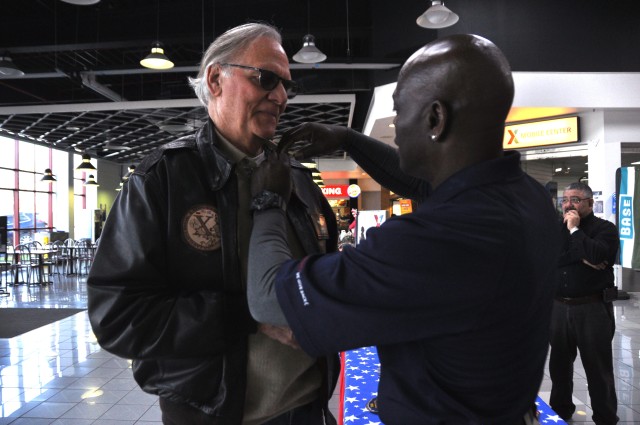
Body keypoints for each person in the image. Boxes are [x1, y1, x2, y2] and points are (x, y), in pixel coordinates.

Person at [246, 34, 560, 424]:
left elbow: (267, 300)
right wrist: (347, 139)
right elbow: (425, 185)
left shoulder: (434, 240)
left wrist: (268, 201)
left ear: (434, 119)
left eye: (400, 112)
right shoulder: (527, 199)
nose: (397, 125)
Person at [87, 23, 339, 425]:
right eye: (267, 78)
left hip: (309, 408)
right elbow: (118, 317)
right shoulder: (162, 181)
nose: (281, 97)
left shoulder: (299, 179)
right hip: (213, 411)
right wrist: (250, 315)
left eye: (286, 85)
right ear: (216, 79)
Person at [549, 182, 620, 424]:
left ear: (590, 203)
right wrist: (583, 256)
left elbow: (600, 256)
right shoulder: (555, 229)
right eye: (566, 199)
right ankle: (560, 411)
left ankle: (606, 416)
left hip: (592, 308)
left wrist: (576, 232)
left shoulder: (605, 229)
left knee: (598, 369)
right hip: (558, 308)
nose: (569, 204)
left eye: (576, 199)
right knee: (559, 367)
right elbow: (548, 258)